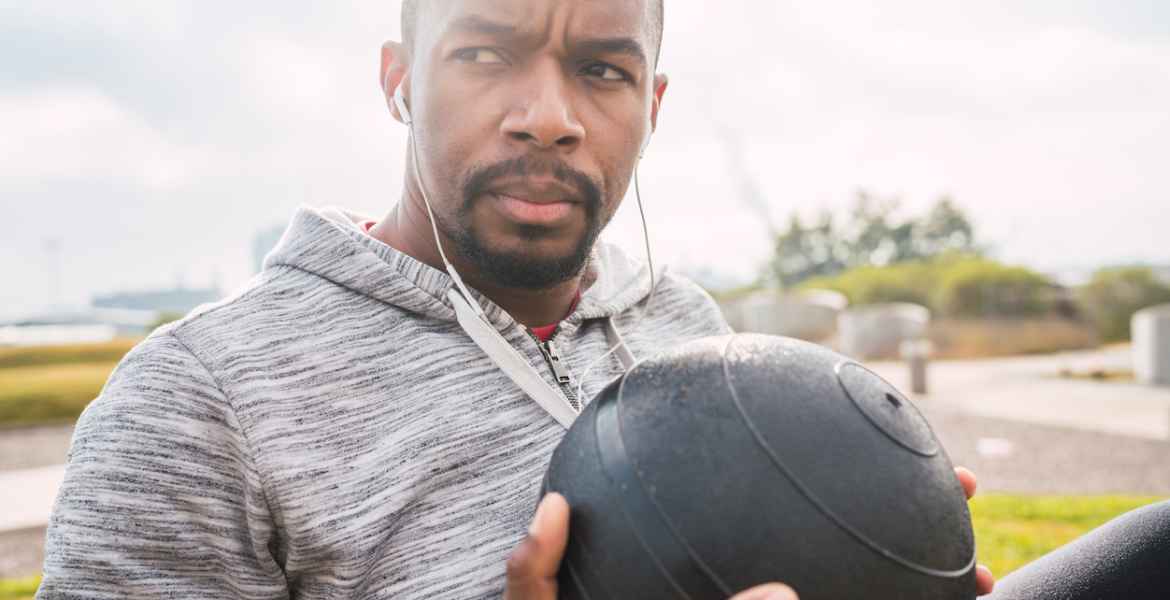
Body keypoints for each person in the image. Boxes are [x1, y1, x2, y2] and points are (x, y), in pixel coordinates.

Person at [37, 1, 994, 598]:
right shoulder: (199, 402)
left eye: (602, 69)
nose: (549, 116)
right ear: (401, 80)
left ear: (651, 108)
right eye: (487, 54)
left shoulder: (691, 331)